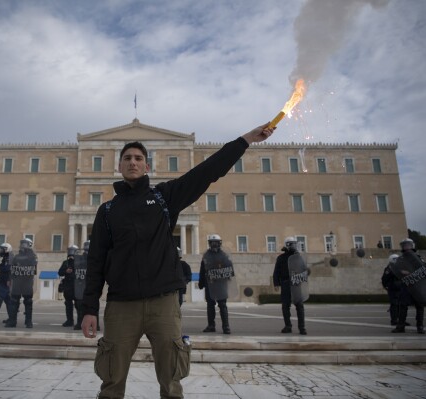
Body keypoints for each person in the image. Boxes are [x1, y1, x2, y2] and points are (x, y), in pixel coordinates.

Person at [81, 123, 275, 398]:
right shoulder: (108, 210)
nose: (133, 162)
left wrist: (244, 141)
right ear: (120, 167)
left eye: (138, 158)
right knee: (111, 383)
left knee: (172, 383)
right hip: (122, 305)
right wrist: (89, 308)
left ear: (146, 167)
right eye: (127, 158)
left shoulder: (163, 198)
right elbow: (95, 261)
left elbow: (206, 172)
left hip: (163, 303)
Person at [198, 234, 234, 334]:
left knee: (222, 305)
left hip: (221, 284)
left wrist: (229, 275)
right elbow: (202, 270)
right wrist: (201, 283)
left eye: (216, 242)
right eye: (212, 242)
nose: (214, 244)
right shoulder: (206, 255)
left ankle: (226, 326)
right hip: (210, 284)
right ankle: (211, 325)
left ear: (219, 243)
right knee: (210, 305)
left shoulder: (224, 255)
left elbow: (230, 268)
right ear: (210, 243)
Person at [273, 237, 307, 335]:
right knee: (285, 306)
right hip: (286, 283)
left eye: (295, 244)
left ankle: (302, 327)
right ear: (287, 245)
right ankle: (288, 326)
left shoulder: (299, 257)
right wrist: (276, 284)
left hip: (296, 283)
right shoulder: (281, 258)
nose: (294, 246)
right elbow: (276, 272)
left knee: (299, 306)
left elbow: (304, 269)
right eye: (292, 244)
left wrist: (305, 273)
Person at [391, 238, 425, 334]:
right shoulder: (400, 259)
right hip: (406, 285)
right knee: (403, 306)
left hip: (418, 286)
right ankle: (401, 326)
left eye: (408, 245)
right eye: (405, 245)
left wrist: (412, 272)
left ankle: (420, 326)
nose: (407, 247)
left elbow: (423, 270)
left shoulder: (418, 257)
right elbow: (396, 271)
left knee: (420, 307)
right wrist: (402, 272)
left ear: (412, 245)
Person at [5, 238, 37, 328]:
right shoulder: (17, 257)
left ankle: (28, 321)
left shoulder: (32, 256)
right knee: (14, 301)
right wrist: (9, 279)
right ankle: (12, 321)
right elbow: (12, 269)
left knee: (28, 302)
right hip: (18, 281)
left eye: (25, 244)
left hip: (27, 281)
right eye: (22, 243)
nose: (23, 245)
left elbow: (33, 269)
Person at [58, 245, 79, 327]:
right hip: (68, 286)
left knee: (78, 305)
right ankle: (69, 321)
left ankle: (79, 321)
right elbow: (60, 272)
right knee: (68, 305)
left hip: (76, 286)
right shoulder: (65, 262)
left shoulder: (79, 262)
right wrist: (66, 271)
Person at [381, 254, 404, 326]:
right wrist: (386, 286)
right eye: (395, 259)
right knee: (394, 305)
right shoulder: (389, 268)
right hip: (393, 289)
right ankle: (394, 320)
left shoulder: (399, 267)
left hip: (400, 288)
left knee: (400, 305)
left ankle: (401, 320)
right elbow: (384, 279)